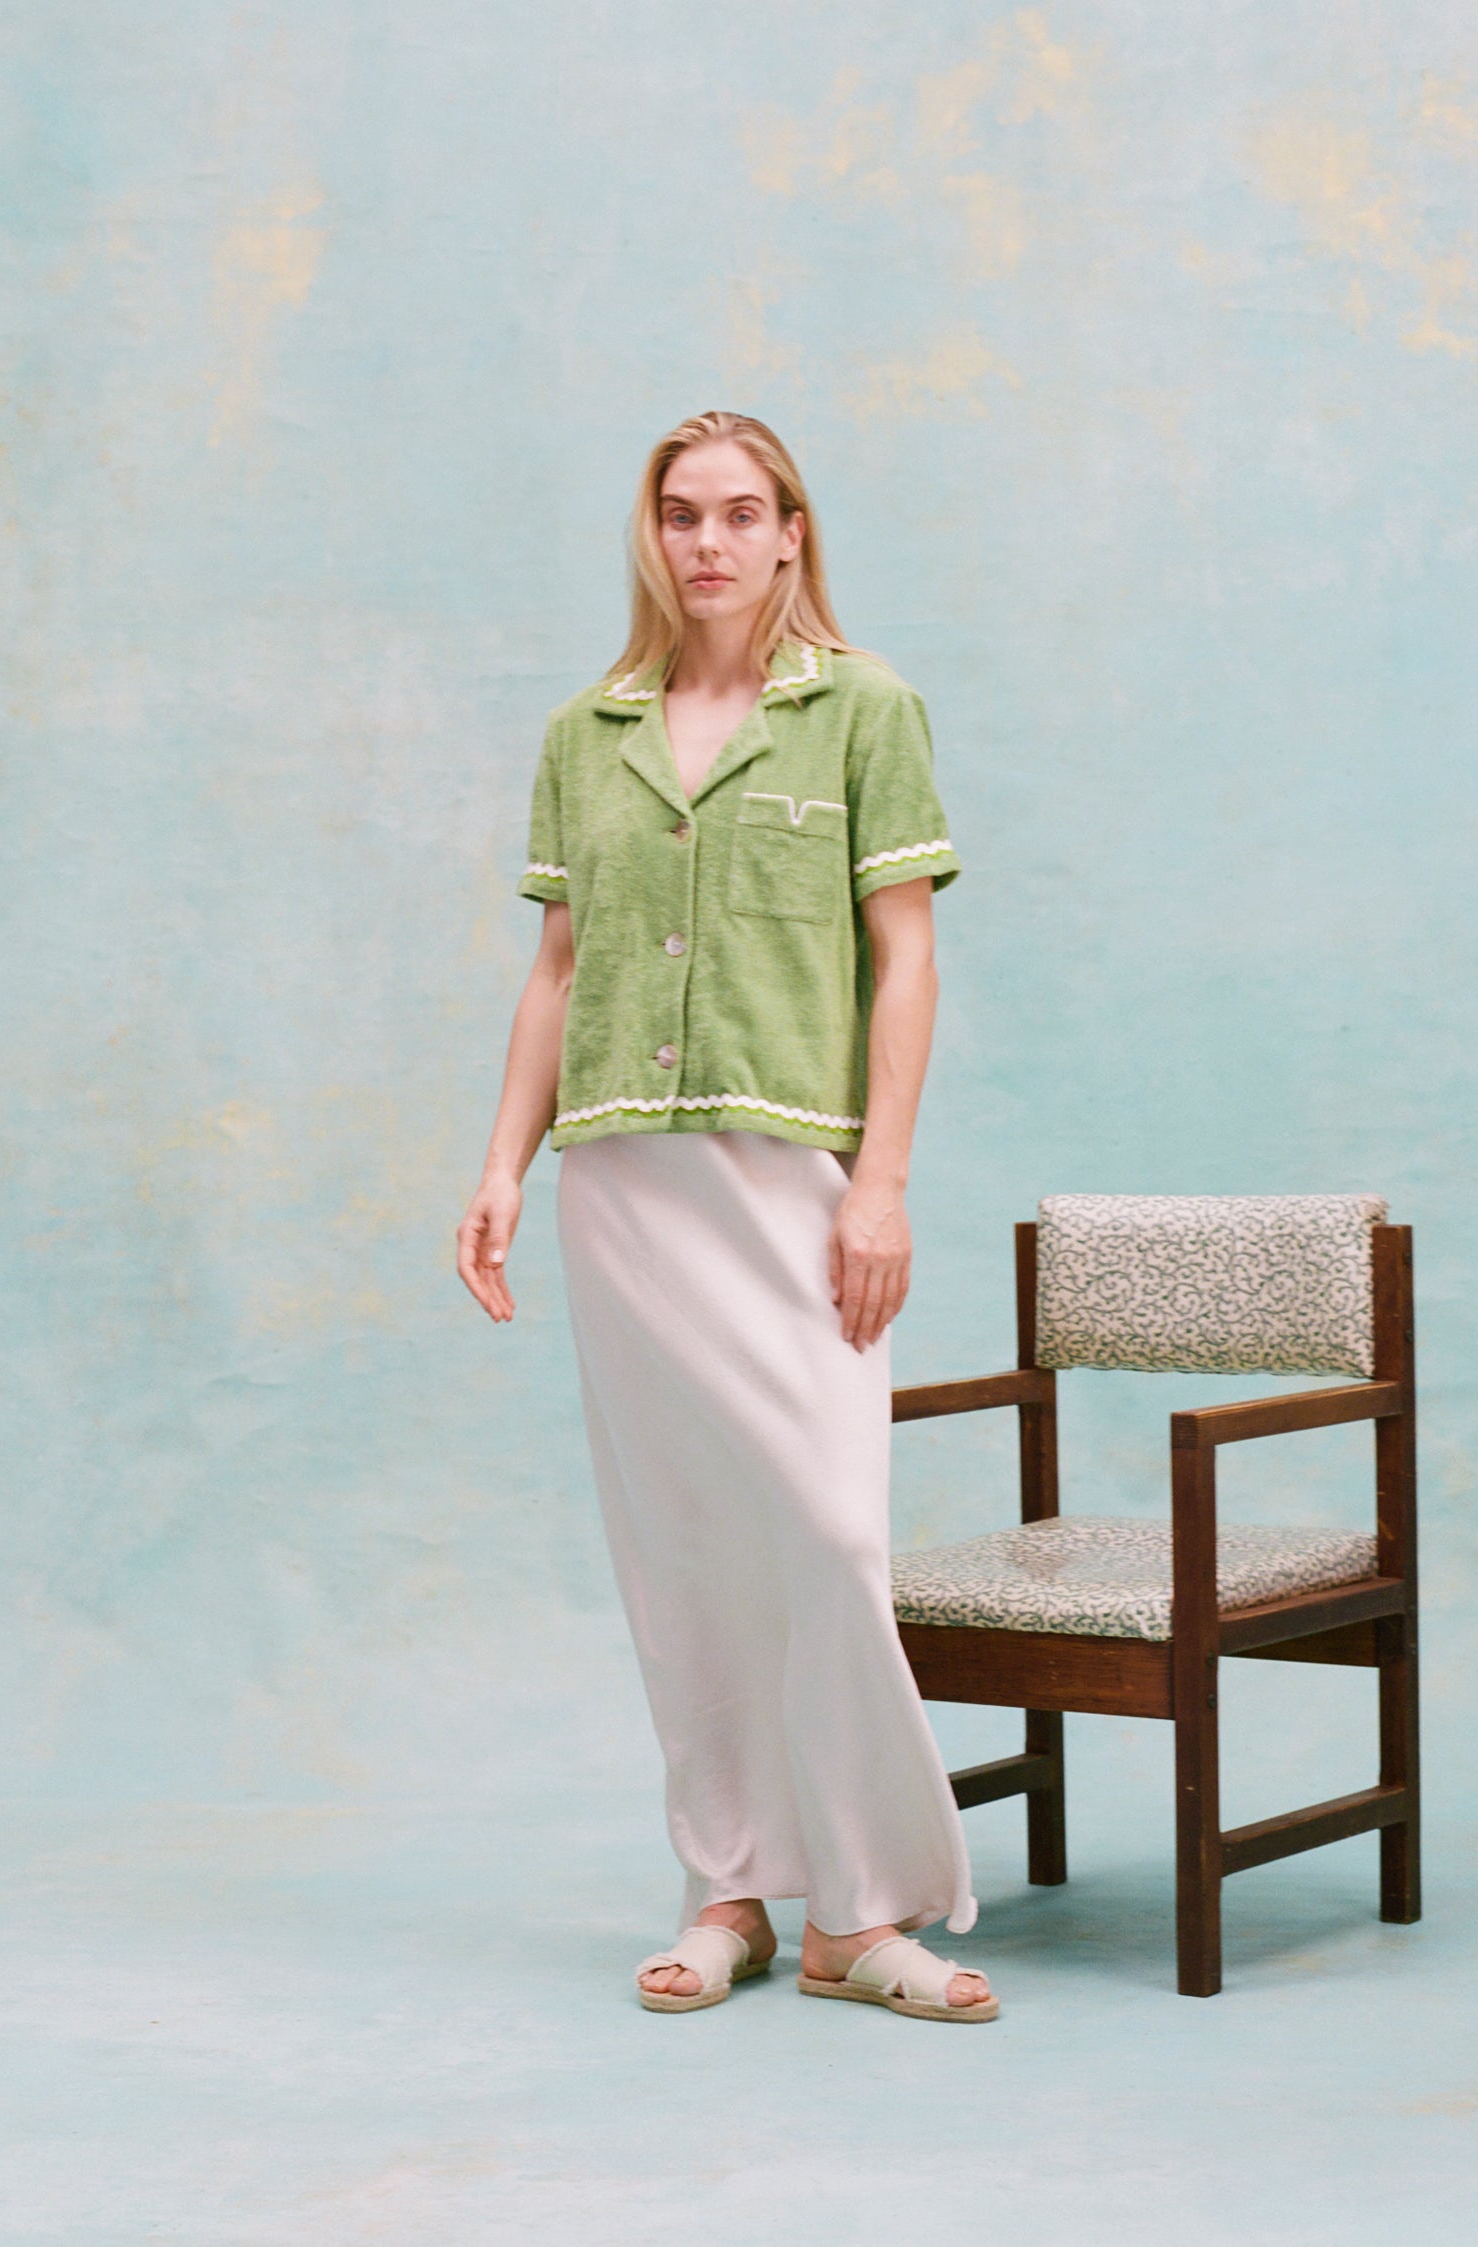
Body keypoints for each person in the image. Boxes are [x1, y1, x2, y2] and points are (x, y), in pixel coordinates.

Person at [456, 411, 995, 2024]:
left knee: (826, 1535)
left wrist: (881, 1184)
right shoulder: (587, 732)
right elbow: (556, 974)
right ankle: (734, 1894)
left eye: (739, 512)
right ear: (653, 534)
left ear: (791, 532)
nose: (707, 541)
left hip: (791, 1177)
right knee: (682, 1553)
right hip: (621, 1179)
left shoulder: (863, 712)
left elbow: (904, 957)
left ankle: (864, 1913)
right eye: (680, 514)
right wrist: (499, 1163)